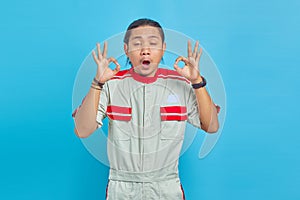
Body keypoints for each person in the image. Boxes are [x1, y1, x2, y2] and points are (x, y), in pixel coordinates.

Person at [72, 18, 220, 200]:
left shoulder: (181, 84)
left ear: (163, 47)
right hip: (122, 188)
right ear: (126, 49)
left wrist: (197, 82)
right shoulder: (110, 85)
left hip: (166, 187)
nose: (145, 50)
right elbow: (82, 130)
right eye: (137, 43)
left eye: (153, 43)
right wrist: (97, 83)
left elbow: (211, 126)